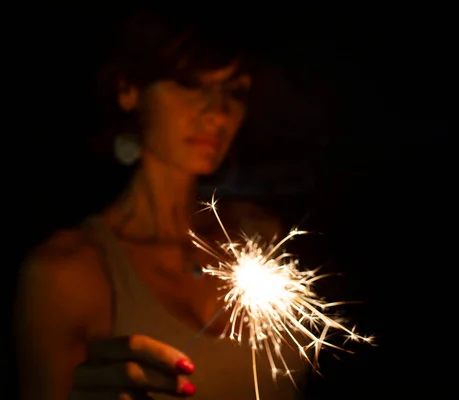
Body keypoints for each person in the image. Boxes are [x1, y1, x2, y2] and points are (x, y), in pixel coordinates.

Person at [14, 8, 308, 400]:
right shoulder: (67, 275)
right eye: (191, 83)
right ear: (128, 89)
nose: (218, 113)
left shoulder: (262, 236)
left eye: (234, 91)